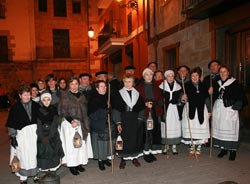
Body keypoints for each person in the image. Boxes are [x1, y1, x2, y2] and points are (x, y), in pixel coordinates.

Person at [6, 85, 40, 184]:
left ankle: (35, 174)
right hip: (22, 135)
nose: (27, 97)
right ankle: (23, 177)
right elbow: (11, 123)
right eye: (25, 95)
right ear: (20, 95)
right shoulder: (15, 108)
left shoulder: (36, 105)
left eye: (29, 94)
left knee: (34, 154)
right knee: (23, 155)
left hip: (34, 134)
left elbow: (41, 119)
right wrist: (13, 136)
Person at [58, 76, 93, 175]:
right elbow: (63, 110)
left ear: (79, 84)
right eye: (72, 84)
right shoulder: (65, 95)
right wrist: (71, 121)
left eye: (76, 84)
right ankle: (72, 165)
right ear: (69, 85)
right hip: (70, 124)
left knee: (80, 144)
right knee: (72, 146)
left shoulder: (82, 95)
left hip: (81, 122)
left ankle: (79, 163)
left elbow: (85, 109)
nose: (74, 86)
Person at [212, 65, 247, 161]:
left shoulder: (234, 83)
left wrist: (236, 106)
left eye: (225, 71)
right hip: (219, 109)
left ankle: (232, 151)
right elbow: (214, 95)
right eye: (221, 72)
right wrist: (211, 92)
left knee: (231, 129)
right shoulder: (217, 83)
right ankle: (223, 149)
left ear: (228, 73)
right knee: (220, 128)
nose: (223, 73)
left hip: (229, 109)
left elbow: (241, 96)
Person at [112, 74, 145, 169]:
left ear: (133, 83)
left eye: (129, 81)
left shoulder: (137, 94)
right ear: (123, 82)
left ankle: (134, 157)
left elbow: (142, 108)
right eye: (125, 81)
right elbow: (116, 110)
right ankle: (123, 158)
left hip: (134, 120)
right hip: (123, 119)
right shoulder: (119, 94)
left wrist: (139, 119)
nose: (127, 83)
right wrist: (118, 122)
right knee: (123, 139)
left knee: (135, 139)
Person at [181, 67, 210, 157]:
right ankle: (192, 146)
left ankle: (199, 147)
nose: (194, 77)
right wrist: (183, 98)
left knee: (201, 128)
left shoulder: (204, 86)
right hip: (190, 108)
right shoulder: (186, 85)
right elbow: (182, 99)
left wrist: (209, 111)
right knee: (191, 128)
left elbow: (207, 99)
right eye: (192, 76)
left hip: (202, 109)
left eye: (196, 75)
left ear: (199, 76)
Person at [136, 68, 163, 162]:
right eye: (147, 75)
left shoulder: (156, 87)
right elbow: (136, 102)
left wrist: (158, 103)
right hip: (145, 113)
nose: (149, 76)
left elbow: (160, 99)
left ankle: (151, 150)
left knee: (153, 132)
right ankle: (146, 152)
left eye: (151, 74)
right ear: (143, 76)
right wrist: (145, 104)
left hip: (154, 112)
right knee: (146, 133)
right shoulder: (138, 88)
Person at [88, 80, 115, 171]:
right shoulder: (94, 99)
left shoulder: (108, 98)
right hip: (98, 125)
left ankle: (106, 158)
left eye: (105, 86)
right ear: (97, 88)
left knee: (107, 143)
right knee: (100, 145)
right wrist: (104, 110)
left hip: (107, 125)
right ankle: (100, 160)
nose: (104, 88)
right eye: (102, 87)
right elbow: (92, 115)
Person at [37, 91, 64, 171]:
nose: (46, 102)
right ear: (42, 101)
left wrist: (50, 136)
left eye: (48, 99)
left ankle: (53, 169)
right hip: (42, 134)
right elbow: (39, 124)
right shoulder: (39, 111)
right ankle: (46, 169)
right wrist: (41, 136)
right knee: (44, 151)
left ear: (51, 100)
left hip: (52, 134)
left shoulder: (54, 110)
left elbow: (54, 124)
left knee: (53, 151)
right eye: (44, 100)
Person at [159, 70, 182, 155]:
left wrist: (178, 100)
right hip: (166, 110)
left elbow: (181, 99)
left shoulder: (178, 87)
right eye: (168, 76)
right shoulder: (161, 87)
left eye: (172, 76)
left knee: (175, 125)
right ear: (165, 77)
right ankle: (166, 145)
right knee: (166, 126)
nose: (170, 77)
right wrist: (163, 101)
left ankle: (174, 146)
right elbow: (159, 99)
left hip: (175, 110)